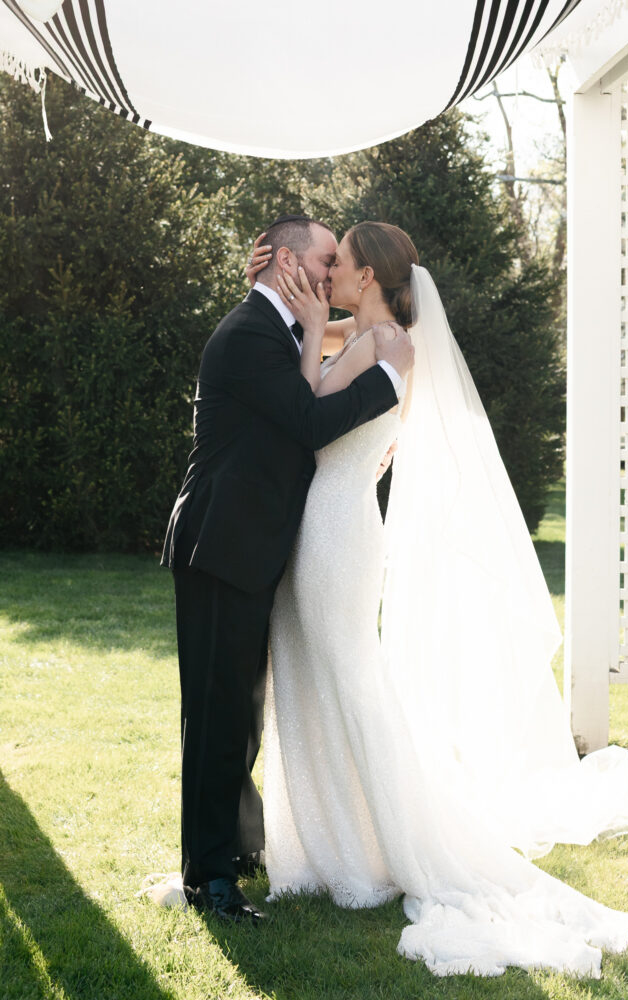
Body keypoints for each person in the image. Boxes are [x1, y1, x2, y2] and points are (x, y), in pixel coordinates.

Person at [245, 221, 628, 976]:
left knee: (351, 681)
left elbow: (306, 411)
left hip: (338, 529)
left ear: (367, 275)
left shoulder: (388, 346)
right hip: (324, 521)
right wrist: (291, 297)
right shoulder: (364, 332)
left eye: (337, 263)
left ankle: (391, 847)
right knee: (310, 676)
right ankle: (324, 844)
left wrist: (311, 329)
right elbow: (305, 342)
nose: (328, 272)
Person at [160, 215, 415, 924]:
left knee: (239, 713)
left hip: (250, 547)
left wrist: (342, 342)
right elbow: (307, 422)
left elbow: (348, 351)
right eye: (325, 259)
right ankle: (208, 877)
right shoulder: (248, 334)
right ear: (289, 265)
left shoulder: (279, 328)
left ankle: (238, 845)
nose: (334, 272)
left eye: (340, 262)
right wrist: (388, 386)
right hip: (220, 545)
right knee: (215, 718)